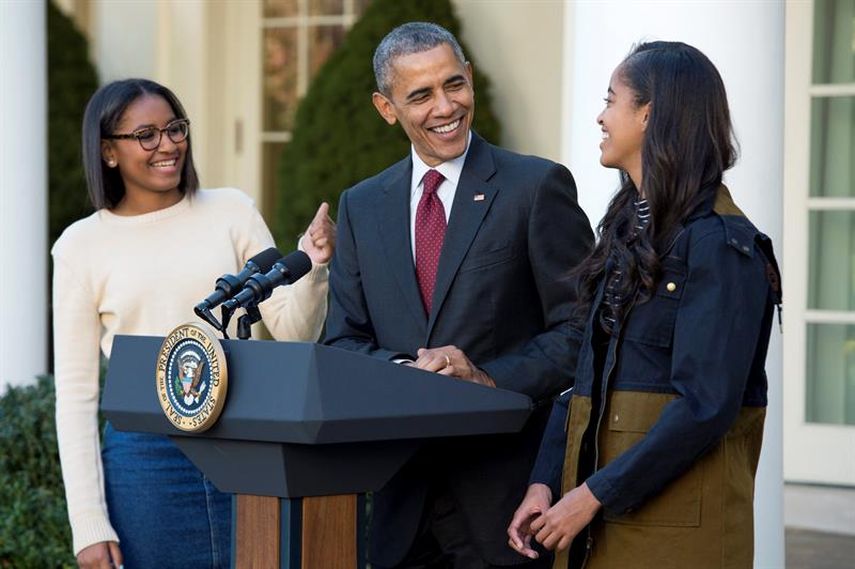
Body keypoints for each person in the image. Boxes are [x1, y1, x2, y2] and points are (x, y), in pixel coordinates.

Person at [324, 22, 594, 569]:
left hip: (506, 500)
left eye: (454, 84)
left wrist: (488, 379)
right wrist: (408, 371)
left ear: (469, 78)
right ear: (385, 106)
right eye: (420, 95)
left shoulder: (537, 188)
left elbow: (583, 331)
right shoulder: (361, 205)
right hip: (400, 497)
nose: (445, 106)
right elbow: (342, 341)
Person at [506, 41, 782, 569]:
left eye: (612, 100)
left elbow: (706, 406)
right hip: (599, 526)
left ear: (648, 113)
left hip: (674, 537)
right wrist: (545, 482)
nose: (601, 116)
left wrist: (590, 497)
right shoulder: (626, 234)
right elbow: (582, 379)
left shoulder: (722, 246)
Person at [52, 78, 335, 569]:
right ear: (109, 152)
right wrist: (89, 526)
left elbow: (294, 331)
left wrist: (313, 266)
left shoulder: (231, 210)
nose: (168, 145)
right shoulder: (80, 246)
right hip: (146, 458)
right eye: (146, 135)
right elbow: (76, 397)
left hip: (246, 442)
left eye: (175, 128)